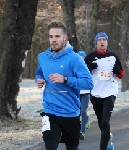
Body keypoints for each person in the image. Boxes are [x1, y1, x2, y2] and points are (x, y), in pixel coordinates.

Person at [35, 22, 94, 150]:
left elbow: (89, 83)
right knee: (50, 146)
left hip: (70, 111)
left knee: (72, 147)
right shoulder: (42, 57)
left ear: (65, 38)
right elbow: (39, 72)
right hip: (49, 109)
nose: (54, 40)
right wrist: (39, 79)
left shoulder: (75, 59)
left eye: (57, 36)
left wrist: (66, 79)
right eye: (51, 37)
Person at [84, 32, 124, 150]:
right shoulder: (89, 57)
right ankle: (108, 138)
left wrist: (118, 71)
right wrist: (89, 68)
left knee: (106, 121)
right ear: (96, 43)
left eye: (104, 40)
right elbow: (82, 74)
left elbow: (121, 74)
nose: (102, 42)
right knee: (101, 121)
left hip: (110, 92)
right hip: (95, 93)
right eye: (99, 40)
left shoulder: (113, 56)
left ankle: (103, 147)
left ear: (107, 42)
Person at [77, 50, 90, 140]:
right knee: (77, 113)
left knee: (83, 111)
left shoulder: (87, 68)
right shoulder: (74, 67)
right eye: (79, 58)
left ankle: (82, 132)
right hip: (77, 93)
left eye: (82, 58)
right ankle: (78, 130)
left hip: (86, 93)